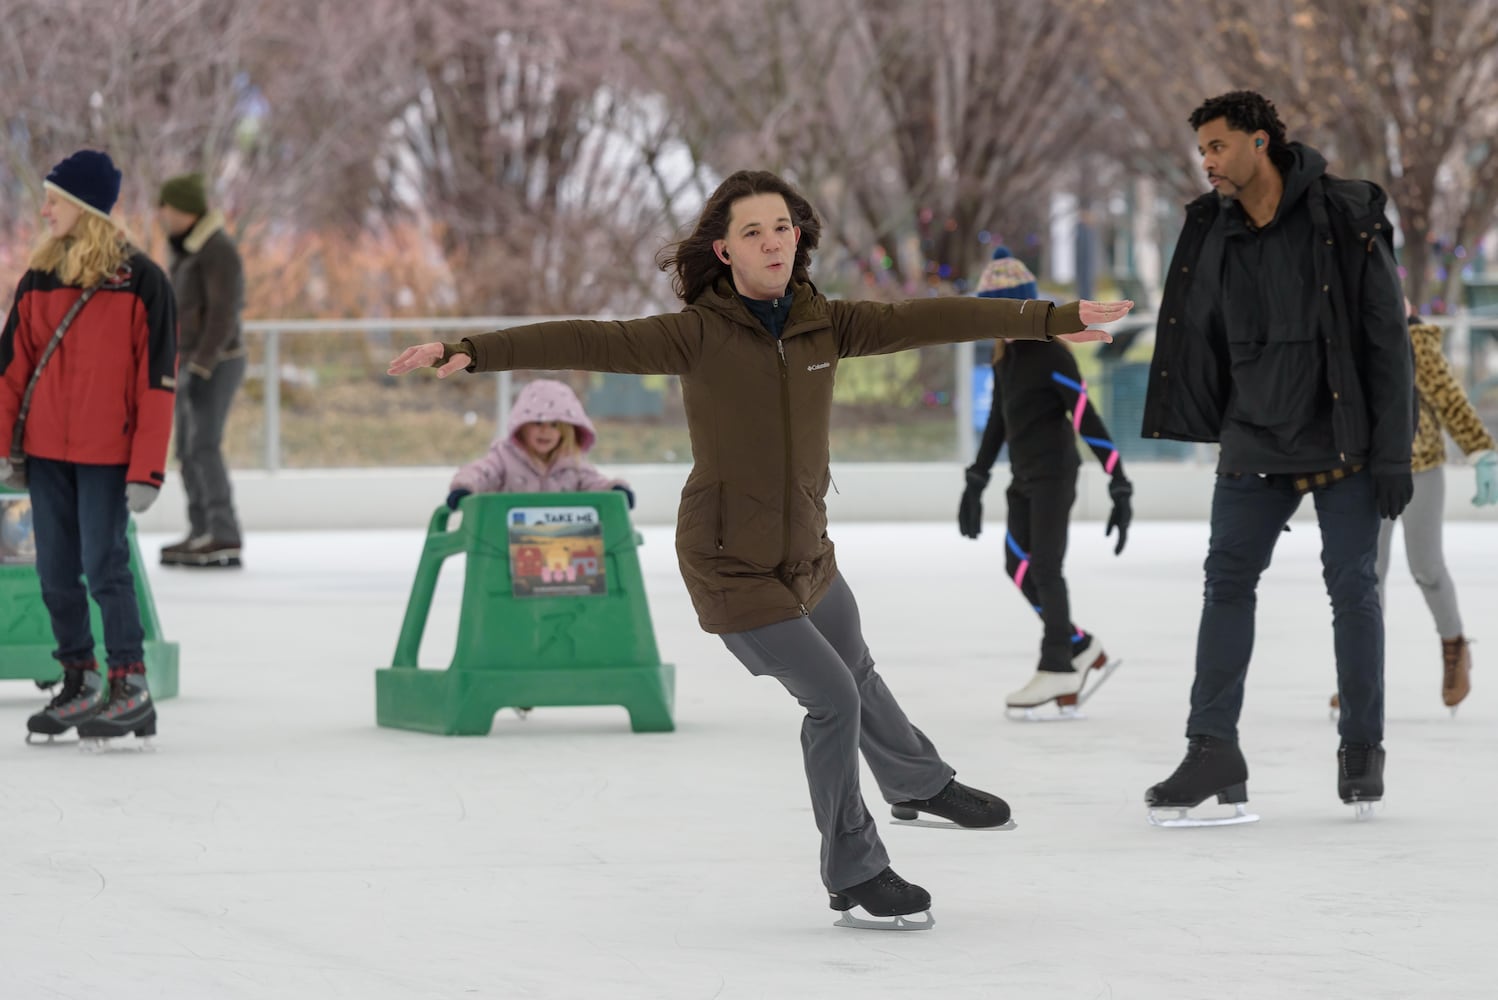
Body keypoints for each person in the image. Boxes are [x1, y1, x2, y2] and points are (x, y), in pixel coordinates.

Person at [389, 169, 1131, 926]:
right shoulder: (695, 333)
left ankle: (916, 782)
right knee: (834, 696)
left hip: (806, 548)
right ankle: (854, 868)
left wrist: (1049, 317)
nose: (773, 241)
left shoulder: (825, 324)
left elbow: (927, 318)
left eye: (783, 226)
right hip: (728, 561)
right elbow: (588, 336)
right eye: (753, 231)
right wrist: (471, 349)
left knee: (856, 666)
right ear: (725, 250)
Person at [1140, 92, 1412, 823]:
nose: (1208, 163)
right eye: (1202, 151)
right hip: (1253, 439)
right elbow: (1200, 335)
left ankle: (1361, 750)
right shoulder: (1211, 229)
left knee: (1352, 590)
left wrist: (1394, 453)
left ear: (1260, 143)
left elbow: (1388, 338)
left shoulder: (1346, 213)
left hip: (1343, 440)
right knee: (1225, 584)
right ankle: (1212, 750)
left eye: (1218, 147)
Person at [0, 149, 177, 745]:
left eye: (55, 200)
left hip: (109, 458)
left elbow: (157, 381)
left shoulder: (144, 283)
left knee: (105, 567)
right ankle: (79, 678)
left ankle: (130, 683)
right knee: (53, 572)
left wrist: (148, 468)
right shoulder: (38, 280)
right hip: (48, 454)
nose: (44, 210)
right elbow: (9, 373)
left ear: (85, 208)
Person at [958, 249, 1133, 718]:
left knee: (1046, 569)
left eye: (1012, 307)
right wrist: (975, 480)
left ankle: (1058, 662)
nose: (1006, 318)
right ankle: (1077, 644)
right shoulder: (1005, 358)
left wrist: (1119, 482)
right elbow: (998, 419)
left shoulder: (1053, 355)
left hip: (1056, 475)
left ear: (1030, 306)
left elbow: (1085, 417)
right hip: (1024, 476)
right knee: (1017, 565)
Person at [1330, 303, 1497, 717]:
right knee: (1367, 575)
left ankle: (1454, 644)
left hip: (1418, 467)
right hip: (1364, 471)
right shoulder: (1342, 337)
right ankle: (1363, 678)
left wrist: (1480, 450)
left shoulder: (1415, 342)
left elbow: (1450, 398)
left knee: (1426, 566)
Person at [155, 172, 247, 568]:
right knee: (187, 450)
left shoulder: (217, 249)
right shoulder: (187, 249)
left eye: (168, 208)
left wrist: (201, 364)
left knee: (204, 445)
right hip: (189, 362)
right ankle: (200, 529)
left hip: (216, 362)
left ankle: (223, 532)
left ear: (185, 209)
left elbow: (223, 314)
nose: (163, 215)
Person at [445, 378, 634, 512]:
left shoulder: (573, 463)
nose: (545, 431)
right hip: (508, 541)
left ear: (565, 431)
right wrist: (464, 487)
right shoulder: (504, 457)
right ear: (522, 427)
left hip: (561, 544)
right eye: (537, 423)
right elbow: (481, 471)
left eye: (554, 425)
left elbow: (595, 483)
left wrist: (614, 490)